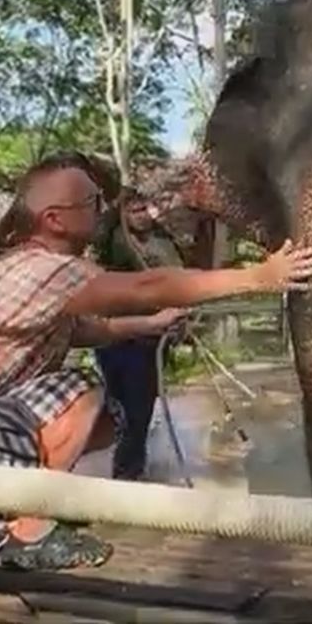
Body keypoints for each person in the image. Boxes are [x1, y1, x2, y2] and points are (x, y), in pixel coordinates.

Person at [0, 151, 312, 580]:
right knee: (81, 391)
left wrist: (152, 323)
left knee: (108, 418)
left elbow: (90, 331)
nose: (102, 210)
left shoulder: (23, 269)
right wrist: (257, 277)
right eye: (91, 202)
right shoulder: (45, 271)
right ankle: (29, 528)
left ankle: (22, 512)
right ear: (55, 219)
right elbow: (148, 285)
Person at [91, 190, 185, 482]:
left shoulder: (162, 242)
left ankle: (128, 470)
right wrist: (114, 208)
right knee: (117, 403)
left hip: (149, 341)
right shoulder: (112, 239)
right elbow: (99, 235)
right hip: (113, 335)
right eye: (134, 210)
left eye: (145, 208)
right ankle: (126, 458)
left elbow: (178, 280)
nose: (142, 215)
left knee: (139, 405)